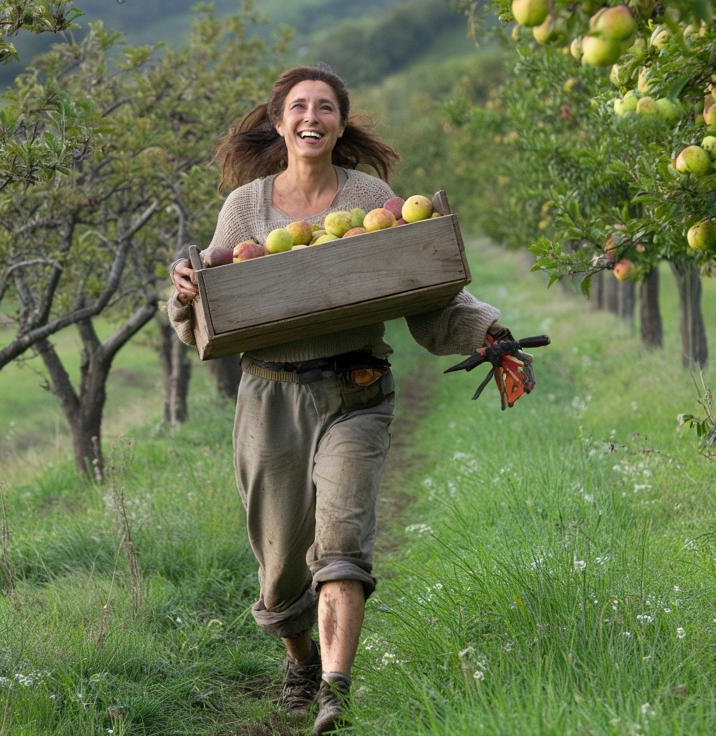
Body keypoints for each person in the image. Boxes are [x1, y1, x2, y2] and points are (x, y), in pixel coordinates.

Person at [167, 64, 511, 735]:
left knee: (342, 542)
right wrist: (184, 292)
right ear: (278, 121)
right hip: (271, 396)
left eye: (326, 107)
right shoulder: (246, 208)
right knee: (279, 571)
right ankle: (299, 661)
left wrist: (487, 330)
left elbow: (426, 291)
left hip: (357, 389)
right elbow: (208, 302)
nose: (312, 118)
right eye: (299, 107)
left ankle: (334, 691)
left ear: (340, 122)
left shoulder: (372, 196)